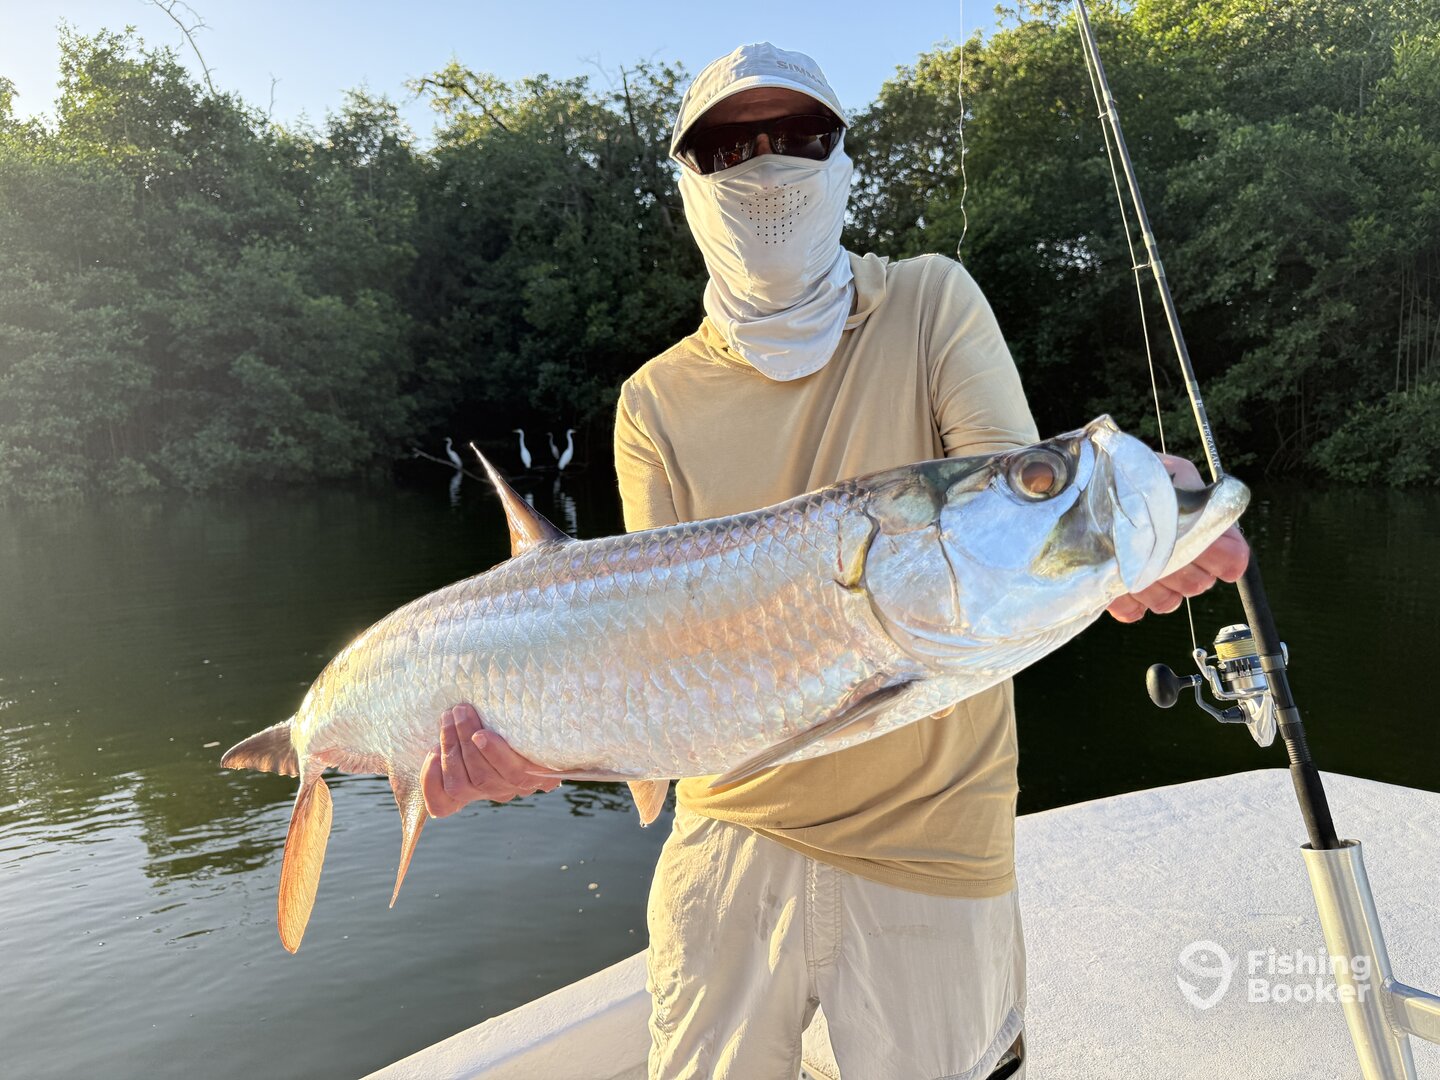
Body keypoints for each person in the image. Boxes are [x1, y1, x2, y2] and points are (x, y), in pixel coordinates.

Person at [421, 42, 1249, 1080]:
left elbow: (1002, 499)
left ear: (842, 160)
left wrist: (1105, 542)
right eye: (731, 147)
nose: (768, 166)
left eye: (798, 136)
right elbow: (643, 651)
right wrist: (534, 746)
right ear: (688, 183)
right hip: (725, 836)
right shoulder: (652, 401)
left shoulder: (932, 301)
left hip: (932, 843)